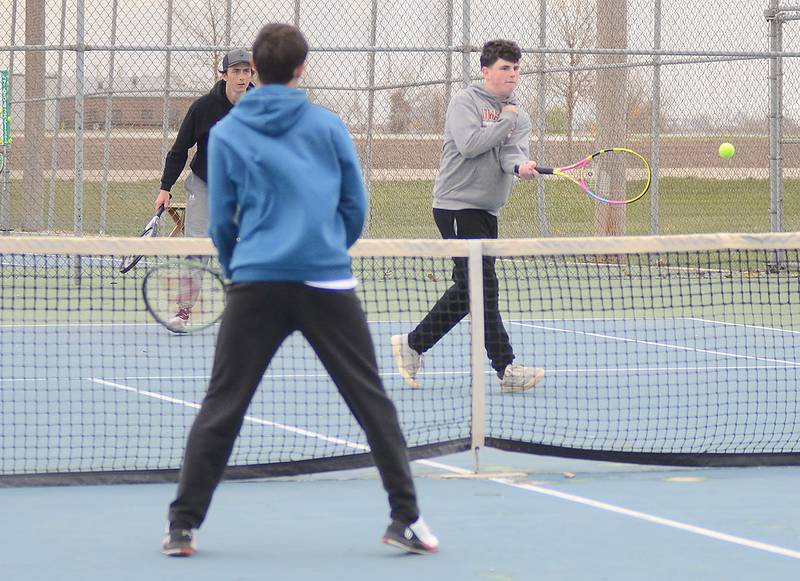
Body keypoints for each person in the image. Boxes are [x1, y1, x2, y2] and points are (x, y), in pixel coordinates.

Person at [161, 23, 439, 557]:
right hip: (325, 282)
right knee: (372, 402)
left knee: (223, 405)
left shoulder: (230, 133)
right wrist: (327, 246)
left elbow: (222, 219)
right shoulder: (328, 126)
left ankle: (181, 527)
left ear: (254, 71)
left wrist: (242, 262)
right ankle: (405, 518)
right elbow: (355, 206)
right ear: (302, 68)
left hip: (255, 284)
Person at [390, 39, 545, 394]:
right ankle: (506, 368)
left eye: (516, 68)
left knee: (472, 288)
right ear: (486, 71)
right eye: (505, 68)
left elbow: (510, 154)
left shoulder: (518, 113)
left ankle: (413, 344)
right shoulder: (465, 102)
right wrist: (505, 121)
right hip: (456, 205)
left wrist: (520, 166)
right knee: (482, 286)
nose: (512, 75)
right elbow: (470, 145)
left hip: (488, 208)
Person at [154, 48, 254, 332]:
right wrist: (165, 188)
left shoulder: (260, 106)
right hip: (206, 184)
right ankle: (184, 311)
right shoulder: (203, 108)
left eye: (246, 71)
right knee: (198, 245)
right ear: (223, 75)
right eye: (235, 71)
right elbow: (179, 150)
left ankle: (248, 309)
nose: (241, 77)